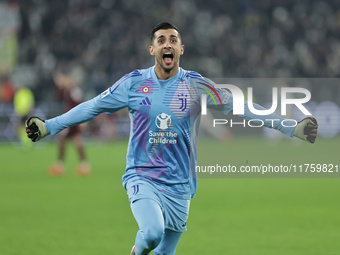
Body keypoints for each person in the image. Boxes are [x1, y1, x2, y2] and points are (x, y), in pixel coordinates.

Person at [25, 22, 318, 255]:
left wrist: (290, 127)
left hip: (181, 185)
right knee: (151, 233)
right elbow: (92, 107)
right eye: (162, 40)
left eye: (173, 40)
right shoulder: (133, 83)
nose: (168, 44)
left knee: (165, 252)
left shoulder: (196, 84)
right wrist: (49, 126)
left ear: (181, 49)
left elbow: (241, 107)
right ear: (152, 49)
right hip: (142, 176)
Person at [48, 72, 91, 176]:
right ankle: (84, 166)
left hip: (72, 119)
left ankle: (60, 166)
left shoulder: (74, 89)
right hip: (71, 118)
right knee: (76, 141)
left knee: (63, 139)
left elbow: (80, 103)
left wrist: (84, 120)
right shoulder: (66, 90)